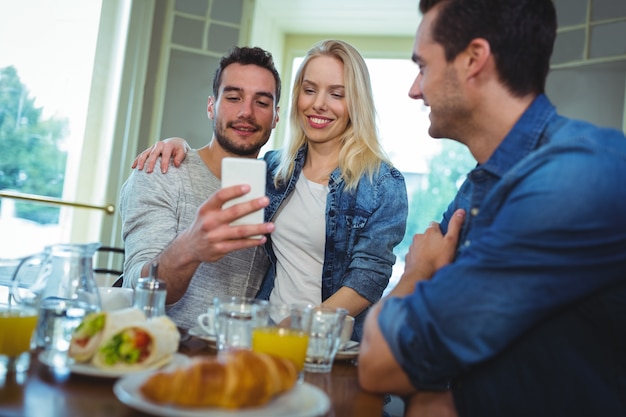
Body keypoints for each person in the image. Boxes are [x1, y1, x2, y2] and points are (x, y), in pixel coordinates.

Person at [358, 0, 626, 416]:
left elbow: (381, 362)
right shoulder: (477, 187)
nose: (415, 89)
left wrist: (416, 272)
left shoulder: (575, 178)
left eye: (422, 66)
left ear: (473, 59)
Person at [132, 39, 408, 340]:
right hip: (257, 336)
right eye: (310, 89)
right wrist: (180, 146)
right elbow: (139, 285)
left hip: (327, 346)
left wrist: (297, 327)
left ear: (356, 102)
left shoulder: (381, 183)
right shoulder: (275, 170)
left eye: (337, 94)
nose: (319, 104)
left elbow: (369, 277)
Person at [119, 46, 281, 330]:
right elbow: (138, 286)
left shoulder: (279, 190)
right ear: (211, 106)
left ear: (276, 117)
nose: (246, 112)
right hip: (168, 355)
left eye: (262, 103)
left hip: (240, 360)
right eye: (233, 97)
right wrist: (189, 248)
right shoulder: (162, 171)